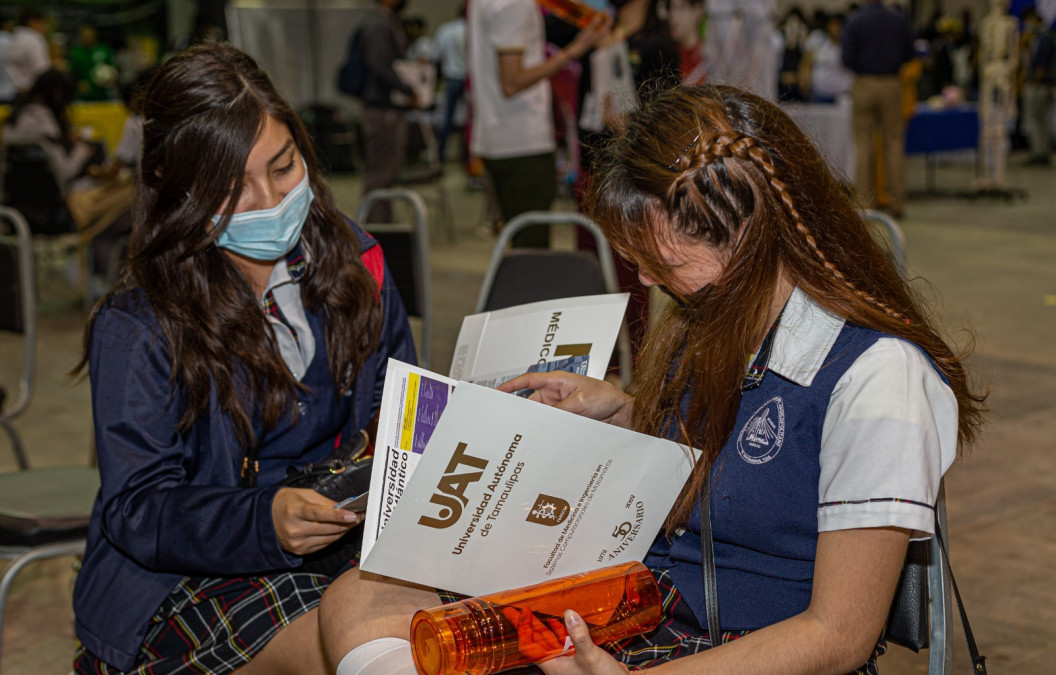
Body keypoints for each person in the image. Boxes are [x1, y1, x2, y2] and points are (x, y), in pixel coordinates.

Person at [315, 84, 986, 674]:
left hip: (736, 650)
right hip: (647, 606)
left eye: (663, 259)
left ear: (748, 236)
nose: (643, 278)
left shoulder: (880, 377)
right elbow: (734, 457)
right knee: (362, 595)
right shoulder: (721, 313)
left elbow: (837, 636)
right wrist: (626, 411)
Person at [70, 42, 416, 674]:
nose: (270, 201)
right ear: (174, 187)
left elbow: (395, 415)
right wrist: (264, 519)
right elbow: (137, 509)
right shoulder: (140, 324)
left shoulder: (355, 264)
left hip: (341, 539)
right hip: (185, 574)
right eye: (232, 190)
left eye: (283, 168)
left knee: (457, 622)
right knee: (345, 644)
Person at [468, 0, 607, 247]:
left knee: (522, 242)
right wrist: (573, 51)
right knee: (532, 246)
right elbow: (512, 82)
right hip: (522, 140)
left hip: (498, 136)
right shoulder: (514, 4)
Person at [842, 0, 915, 218]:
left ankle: (864, 203)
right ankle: (897, 202)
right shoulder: (898, 20)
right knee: (893, 142)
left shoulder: (855, 21)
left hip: (864, 82)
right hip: (892, 83)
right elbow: (909, 53)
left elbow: (846, 58)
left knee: (863, 144)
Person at [357, 0, 417, 223]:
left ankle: (383, 223)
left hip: (386, 106)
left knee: (387, 172)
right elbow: (379, 65)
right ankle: (376, 226)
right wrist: (407, 89)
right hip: (381, 108)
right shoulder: (378, 25)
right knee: (381, 173)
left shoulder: (385, 22)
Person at [1019, 6, 1054, 166]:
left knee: (1036, 119)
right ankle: (1041, 151)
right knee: (1042, 120)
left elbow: (1041, 64)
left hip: (1039, 85)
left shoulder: (1044, 38)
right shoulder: (1038, 37)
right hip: (1043, 84)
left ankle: (1039, 153)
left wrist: (1035, 81)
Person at [432, 6, 467, 163]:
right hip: (468, 79)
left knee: (447, 117)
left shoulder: (446, 30)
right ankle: (468, 154)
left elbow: (436, 56)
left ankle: (441, 152)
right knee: (471, 118)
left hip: (451, 76)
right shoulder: (473, 30)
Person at [3, 6, 51, 96]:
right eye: (42, 24)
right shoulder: (34, 39)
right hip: (30, 93)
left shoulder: (13, 38)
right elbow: (42, 71)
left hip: (10, 91)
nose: (44, 28)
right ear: (32, 22)